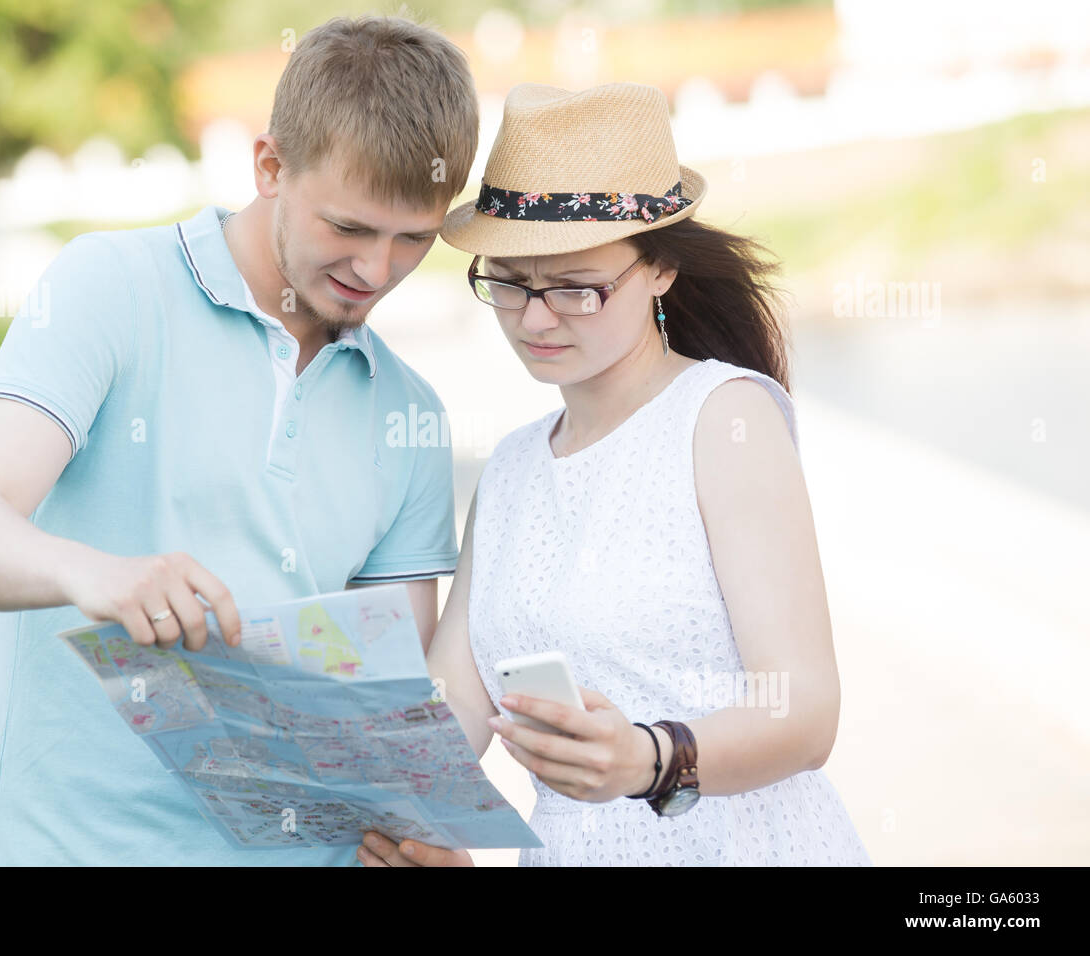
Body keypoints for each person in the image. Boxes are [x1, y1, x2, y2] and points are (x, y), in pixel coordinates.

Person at [0, 15, 480, 866]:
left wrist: (413, 836)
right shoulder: (110, 288)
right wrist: (94, 572)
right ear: (270, 167)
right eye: (349, 229)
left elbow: (384, 715)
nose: (376, 271)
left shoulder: (411, 414)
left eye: (414, 240)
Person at [358, 82, 872, 866]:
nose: (534, 319)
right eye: (510, 282)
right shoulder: (515, 467)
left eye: (576, 287)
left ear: (660, 266)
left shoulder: (724, 420)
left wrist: (649, 759)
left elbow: (805, 712)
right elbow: (454, 704)